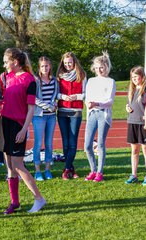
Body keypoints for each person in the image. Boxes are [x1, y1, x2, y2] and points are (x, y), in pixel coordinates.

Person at [1, 48, 46, 214]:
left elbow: (31, 108)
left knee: (18, 165)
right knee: (10, 166)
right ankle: (15, 202)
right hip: (5, 122)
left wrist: (24, 129)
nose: (4, 65)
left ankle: (39, 199)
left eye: (6, 61)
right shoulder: (9, 77)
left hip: (18, 126)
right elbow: (12, 101)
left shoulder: (30, 80)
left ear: (15, 62)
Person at [84, 52, 116, 182]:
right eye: (96, 68)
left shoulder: (110, 81)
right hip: (92, 114)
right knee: (87, 145)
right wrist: (90, 104)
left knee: (101, 144)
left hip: (104, 115)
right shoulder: (91, 81)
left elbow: (110, 101)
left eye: (101, 67)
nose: (99, 70)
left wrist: (97, 103)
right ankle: (92, 170)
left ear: (106, 67)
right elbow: (87, 97)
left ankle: (99, 172)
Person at [56, 52, 87, 180]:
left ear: (74, 62)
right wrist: (63, 96)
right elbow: (56, 94)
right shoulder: (59, 76)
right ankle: (71, 169)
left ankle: (67, 168)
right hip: (62, 111)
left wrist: (77, 97)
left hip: (75, 111)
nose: (68, 65)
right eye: (65, 63)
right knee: (65, 142)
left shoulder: (82, 75)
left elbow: (86, 93)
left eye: (70, 62)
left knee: (73, 142)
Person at [32, 56, 59, 181]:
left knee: (49, 143)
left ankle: (47, 169)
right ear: (39, 67)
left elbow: (56, 96)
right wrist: (48, 106)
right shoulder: (36, 80)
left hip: (52, 116)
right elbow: (34, 99)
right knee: (38, 143)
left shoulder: (54, 80)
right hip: (39, 116)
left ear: (50, 66)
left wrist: (55, 103)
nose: (45, 68)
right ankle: (37, 171)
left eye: (46, 66)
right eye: (42, 66)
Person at [124, 66, 146, 185]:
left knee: (145, 150)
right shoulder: (132, 89)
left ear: (142, 76)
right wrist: (127, 107)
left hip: (143, 124)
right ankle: (134, 174)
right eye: (132, 77)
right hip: (132, 122)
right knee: (134, 150)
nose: (134, 79)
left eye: (136, 76)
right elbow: (129, 104)